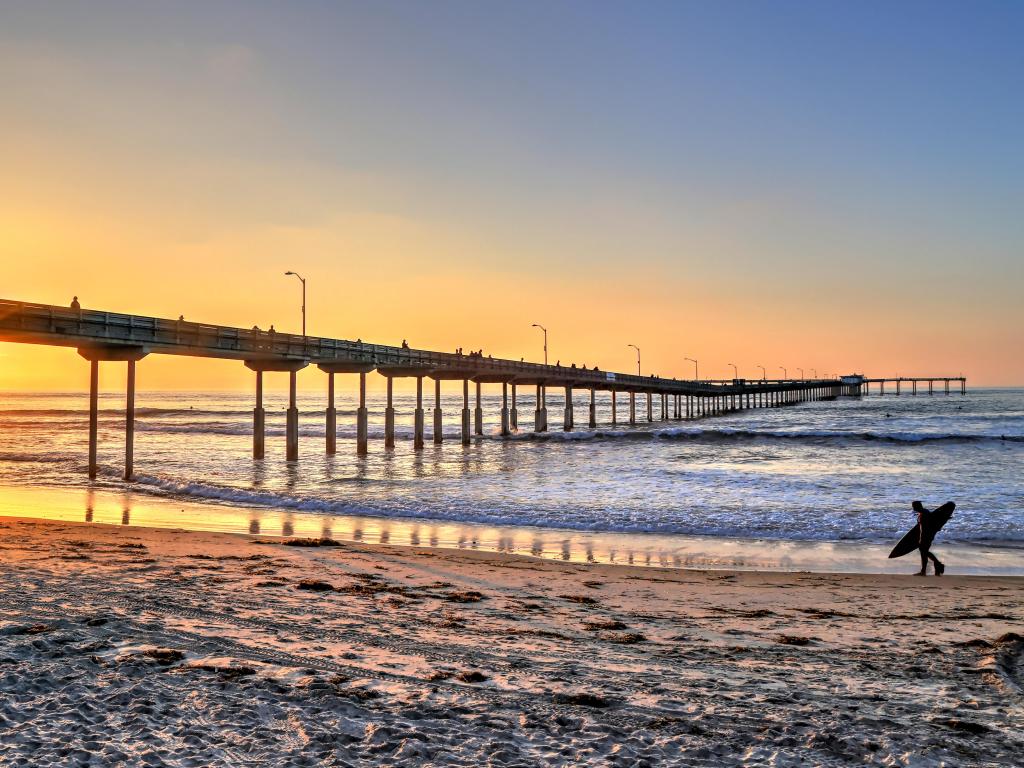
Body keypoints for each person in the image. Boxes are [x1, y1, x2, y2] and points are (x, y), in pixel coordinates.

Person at [913, 500, 946, 576]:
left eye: (913, 506)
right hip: (924, 535)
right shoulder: (923, 513)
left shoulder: (925, 513)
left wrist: (926, 536)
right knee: (923, 552)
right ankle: (924, 571)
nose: (913, 508)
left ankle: (938, 564)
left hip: (927, 535)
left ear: (917, 506)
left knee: (923, 551)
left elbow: (931, 524)